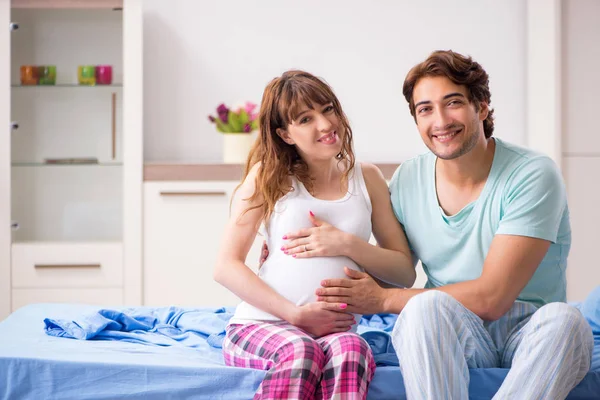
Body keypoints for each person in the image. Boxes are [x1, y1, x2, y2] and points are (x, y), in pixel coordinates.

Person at [271, 51, 594, 399]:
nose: (440, 120)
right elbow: (394, 269)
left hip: (531, 331)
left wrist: (383, 300)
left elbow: (493, 298)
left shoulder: (532, 174)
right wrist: (306, 266)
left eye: (452, 103)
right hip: (452, 331)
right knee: (423, 306)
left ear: (481, 107)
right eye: (425, 109)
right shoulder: (409, 178)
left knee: (568, 322)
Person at [213, 70, 416, 399]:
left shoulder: (368, 178)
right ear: (286, 134)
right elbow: (225, 266)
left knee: (354, 352)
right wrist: (295, 315)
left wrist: (346, 243)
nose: (325, 124)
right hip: (264, 324)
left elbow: (403, 272)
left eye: (328, 109)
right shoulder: (267, 177)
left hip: (335, 331)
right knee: (301, 353)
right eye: (306, 119)